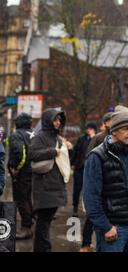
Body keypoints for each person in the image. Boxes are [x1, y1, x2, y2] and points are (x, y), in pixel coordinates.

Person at [83, 109, 128, 252]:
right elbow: (91, 198)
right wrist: (106, 227)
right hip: (113, 229)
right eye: (126, 128)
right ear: (114, 130)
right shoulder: (97, 156)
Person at [28, 108, 68, 252]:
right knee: (43, 222)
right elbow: (31, 154)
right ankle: (43, 248)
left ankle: (42, 248)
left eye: (59, 120)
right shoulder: (40, 136)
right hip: (44, 186)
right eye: (55, 120)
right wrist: (53, 151)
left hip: (55, 185)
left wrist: (66, 148)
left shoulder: (58, 138)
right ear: (48, 121)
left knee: (45, 221)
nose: (58, 123)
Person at [79, 113, 113, 252]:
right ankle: (86, 244)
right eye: (111, 121)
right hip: (98, 182)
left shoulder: (117, 137)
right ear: (105, 123)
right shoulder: (98, 138)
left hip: (110, 183)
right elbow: (89, 157)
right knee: (92, 214)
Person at [7, 113, 34, 240]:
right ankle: (29, 224)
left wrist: (15, 168)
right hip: (33, 171)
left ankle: (26, 227)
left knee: (21, 200)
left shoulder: (17, 135)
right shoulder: (34, 134)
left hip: (22, 173)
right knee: (28, 198)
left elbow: (19, 152)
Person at [70, 121, 97, 218]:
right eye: (88, 128)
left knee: (88, 191)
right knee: (76, 189)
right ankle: (75, 207)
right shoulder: (82, 139)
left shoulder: (96, 139)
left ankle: (87, 208)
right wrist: (72, 163)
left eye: (91, 128)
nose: (88, 130)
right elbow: (76, 151)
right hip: (79, 168)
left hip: (90, 170)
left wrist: (93, 138)